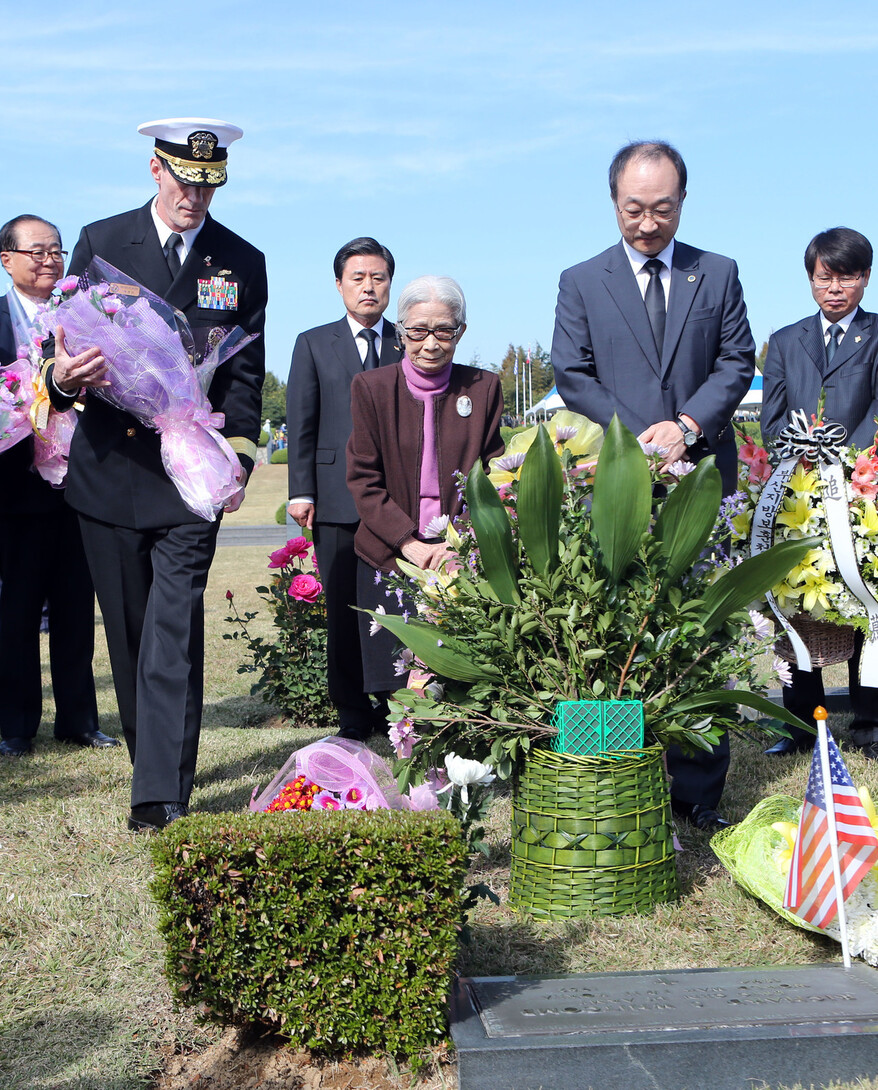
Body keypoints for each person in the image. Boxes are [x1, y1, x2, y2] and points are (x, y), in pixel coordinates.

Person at [47, 118, 267, 830]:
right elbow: (65, 341)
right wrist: (63, 375)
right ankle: (153, 755)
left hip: (187, 477)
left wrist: (236, 455)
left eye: (209, 185)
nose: (194, 198)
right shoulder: (103, 240)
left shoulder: (241, 259)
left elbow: (242, 374)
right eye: (183, 181)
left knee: (174, 629)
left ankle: (160, 794)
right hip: (109, 470)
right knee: (132, 630)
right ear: (154, 170)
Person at [551, 140, 756, 829]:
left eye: (661, 209)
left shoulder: (717, 274)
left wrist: (688, 425)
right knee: (610, 627)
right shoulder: (581, 280)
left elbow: (736, 360)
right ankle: (611, 780)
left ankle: (698, 793)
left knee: (701, 631)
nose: (647, 223)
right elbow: (571, 373)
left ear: (682, 203)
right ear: (614, 202)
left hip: (701, 479)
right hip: (619, 485)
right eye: (634, 209)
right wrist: (643, 436)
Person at [346, 275, 504, 693]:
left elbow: (495, 477)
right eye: (417, 331)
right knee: (401, 689)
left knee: (461, 681)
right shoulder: (371, 388)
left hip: (459, 555)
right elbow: (364, 481)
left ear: (460, 332)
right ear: (400, 333)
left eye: (443, 331)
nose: (430, 343)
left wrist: (463, 542)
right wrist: (409, 544)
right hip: (392, 555)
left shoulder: (484, 388)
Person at [761, 227, 878, 757]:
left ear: (865, 278)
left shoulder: (876, 335)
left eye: (848, 276)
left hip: (862, 491)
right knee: (797, 606)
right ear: (810, 279)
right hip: (797, 493)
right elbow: (771, 419)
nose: (836, 288)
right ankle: (799, 724)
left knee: (863, 601)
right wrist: (800, 450)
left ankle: (869, 721)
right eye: (825, 276)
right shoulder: (786, 341)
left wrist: (851, 463)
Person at [0, 215, 111, 757]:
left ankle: (80, 720)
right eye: (36, 251)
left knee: (75, 607)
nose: (48, 260)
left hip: (80, 483)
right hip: (15, 489)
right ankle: (15, 726)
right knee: (15, 610)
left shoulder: (87, 319)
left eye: (56, 251)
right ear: (7, 260)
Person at [287, 238, 402, 740]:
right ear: (339, 286)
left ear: (390, 284)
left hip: (396, 502)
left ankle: (400, 709)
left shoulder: (408, 342)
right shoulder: (313, 343)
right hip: (334, 500)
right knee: (342, 612)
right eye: (358, 278)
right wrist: (301, 490)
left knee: (397, 608)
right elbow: (301, 422)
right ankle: (353, 717)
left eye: (378, 277)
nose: (369, 287)